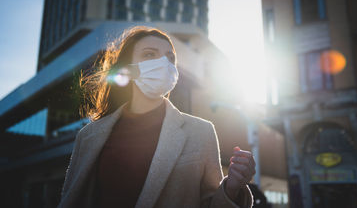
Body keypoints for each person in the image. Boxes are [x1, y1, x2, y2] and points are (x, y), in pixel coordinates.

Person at [57, 26, 256, 208]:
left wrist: (231, 188)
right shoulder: (89, 135)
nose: (163, 64)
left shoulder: (201, 132)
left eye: (170, 58)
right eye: (150, 54)